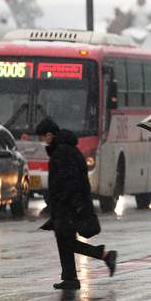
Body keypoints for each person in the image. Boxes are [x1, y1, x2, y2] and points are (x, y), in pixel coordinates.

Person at [36, 117, 117, 290]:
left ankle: (104, 255)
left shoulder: (62, 151)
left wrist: (76, 204)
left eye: (43, 138)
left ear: (49, 135)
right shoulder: (64, 148)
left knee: (66, 241)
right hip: (66, 205)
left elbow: (70, 180)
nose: (43, 143)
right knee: (64, 239)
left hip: (69, 206)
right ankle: (70, 278)